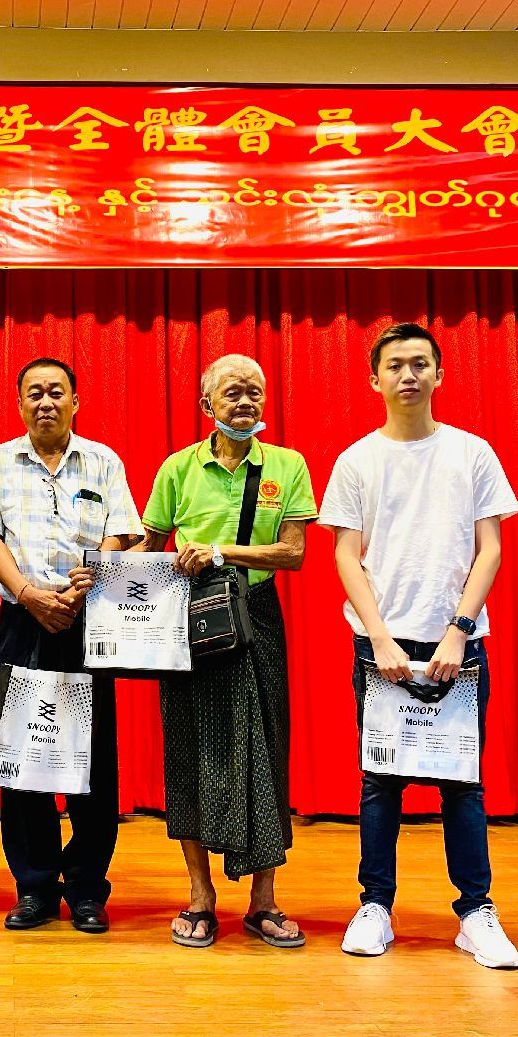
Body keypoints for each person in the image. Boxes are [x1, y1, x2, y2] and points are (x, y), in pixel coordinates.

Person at [317, 322, 518, 970]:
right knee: (380, 782)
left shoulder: (472, 453)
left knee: (463, 783)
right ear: (373, 379)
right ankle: (375, 905)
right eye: (395, 365)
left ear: (439, 373)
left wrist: (459, 629)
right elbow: (345, 554)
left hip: (458, 644)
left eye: (420, 364)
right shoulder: (356, 460)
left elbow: (490, 548)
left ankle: (476, 912)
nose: (408, 375)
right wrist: (378, 635)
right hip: (380, 645)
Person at [134, 354, 314, 949]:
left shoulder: (286, 465)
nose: (245, 402)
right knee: (188, 747)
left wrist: (220, 552)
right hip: (188, 618)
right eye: (233, 392)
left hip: (256, 614)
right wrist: (100, 576)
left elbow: (293, 553)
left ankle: (264, 901)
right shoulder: (178, 468)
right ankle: (200, 896)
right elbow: (149, 546)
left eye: (255, 392)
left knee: (267, 746)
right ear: (206, 404)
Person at [0, 357, 144, 934]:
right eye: (34, 393)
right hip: (23, 620)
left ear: (75, 400)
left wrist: (88, 579)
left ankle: (88, 888)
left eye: (56, 392)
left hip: (89, 619)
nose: (45, 402)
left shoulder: (103, 460)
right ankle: (35, 887)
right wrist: (28, 594)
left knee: (92, 757)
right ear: (20, 403)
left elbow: (123, 531)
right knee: (24, 754)